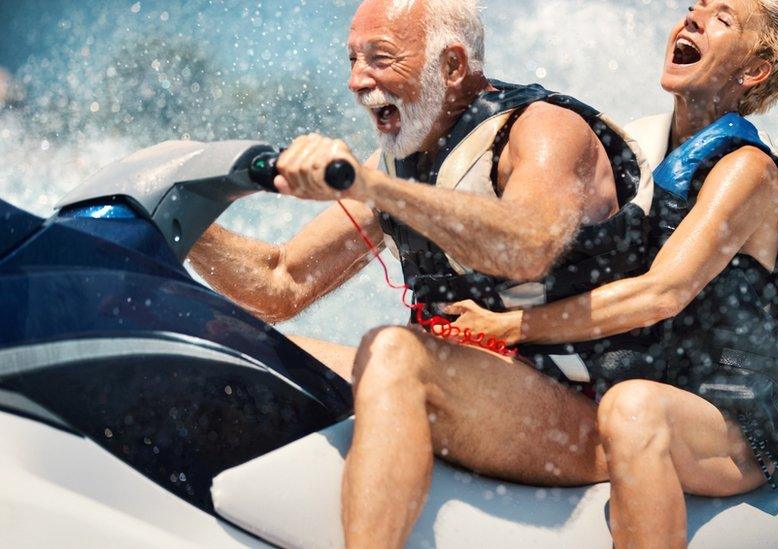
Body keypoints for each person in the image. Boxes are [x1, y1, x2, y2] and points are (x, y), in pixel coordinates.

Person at [189, 0, 657, 546]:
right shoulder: (397, 161)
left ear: (452, 66)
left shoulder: (546, 131)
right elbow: (280, 283)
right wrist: (181, 212)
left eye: (379, 58)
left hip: (578, 417)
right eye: (352, 59)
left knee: (395, 351)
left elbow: (524, 246)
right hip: (469, 382)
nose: (356, 81)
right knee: (240, 350)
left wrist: (371, 190)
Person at [442, 0, 778, 546]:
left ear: (754, 71)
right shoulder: (644, 152)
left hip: (734, 431)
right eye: (692, 8)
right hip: (631, 390)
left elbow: (659, 294)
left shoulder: (748, 172)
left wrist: (511, 327)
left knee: (633, 404)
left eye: (722, 19)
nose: (691, 19)